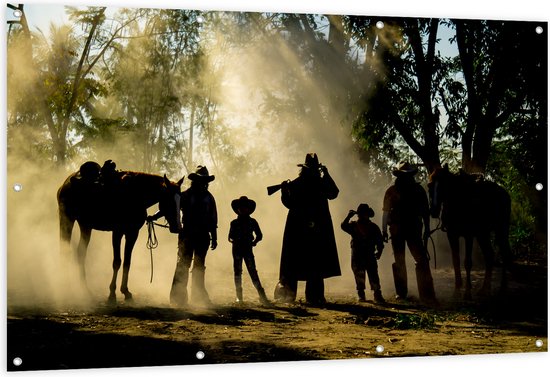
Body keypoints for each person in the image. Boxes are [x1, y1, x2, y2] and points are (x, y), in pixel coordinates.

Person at [274, 153, 341, 306]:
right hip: (302, 228)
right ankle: (292, 296)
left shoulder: (306, 183)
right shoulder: (305, 183)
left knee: (312, 263)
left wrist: (327, 174)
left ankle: (312, 297)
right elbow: (290, 203)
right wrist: (284, 191)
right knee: (299, 262)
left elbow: (334, 193)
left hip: (305, 228)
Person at [150, 165, 218, 307]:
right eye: (200, 180)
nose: (202, 183)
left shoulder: (209, 198)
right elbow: (170, 208)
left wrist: (214, 237)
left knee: (199, 266)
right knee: (183, 265)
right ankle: (178, 298)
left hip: (203, 236)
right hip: (187, 235)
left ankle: (198, 297)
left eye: (204, 180)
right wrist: (154, 217)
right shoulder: (186, 195)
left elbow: (213, 219)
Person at [382, 161, 437, 304]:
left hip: (413, 230)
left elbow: (425, 212)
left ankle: (426, 294)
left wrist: (427, 229)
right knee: (400, 261)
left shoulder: (418, 191)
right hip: (397, 230)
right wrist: (383, 230)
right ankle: (401, 293)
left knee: (420, 260)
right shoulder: (392, 191)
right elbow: (386, 212)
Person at [228, 196, 270, 306]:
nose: (242, 209)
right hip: (237, 249)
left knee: (252, 272)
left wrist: (254, 242)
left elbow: (259, 235)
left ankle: (262, 296)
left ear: (248, 209)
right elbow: (230, 237)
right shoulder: (234, 223)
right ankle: (239, 296)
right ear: (237, 209)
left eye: (244, 207)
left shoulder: (252, 222)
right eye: (241, 208)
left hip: (246, 248)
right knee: (238, 272)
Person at [341, 203, 385, 303]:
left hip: (369, 254)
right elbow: (343, 226)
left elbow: (379, 241)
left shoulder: (373, 227)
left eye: (364, 214)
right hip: (357, 255)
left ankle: (377, 294)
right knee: (359, 274)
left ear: (368, 215)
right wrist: (348, 216)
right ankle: (361, 294)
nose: (362, 216)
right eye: (360, 214)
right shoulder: (353, 225)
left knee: (373, 274)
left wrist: (379, 251)